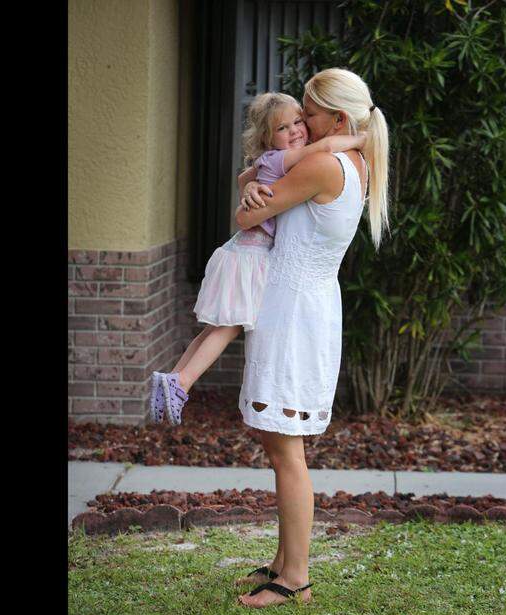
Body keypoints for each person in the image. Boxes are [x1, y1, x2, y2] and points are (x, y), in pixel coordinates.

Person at [230, 68, 390, 608]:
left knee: (284, 448)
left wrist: (253, 185)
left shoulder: (323, 164)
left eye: (309, 114)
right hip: (304, 308)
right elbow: (257, 181)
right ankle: (282, 561)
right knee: (281, 443)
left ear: (337, 118)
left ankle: (295, 576)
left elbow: (247, 211)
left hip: (294, 313)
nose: (300, 123)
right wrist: (347, 137)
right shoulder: (353, 159)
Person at [146, 92, 366, 425]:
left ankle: (173, 379)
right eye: (283, 128)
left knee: (216, 328)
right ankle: (182, 382)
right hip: (252, 253)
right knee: (227, 328)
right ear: (267, 138)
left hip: (244, 251)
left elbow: (243, 178)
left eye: (298, 121)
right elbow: (320, 149)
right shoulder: (287, 158)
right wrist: (362, 138)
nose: (294, 131)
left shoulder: (274, 160)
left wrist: (249, 186)